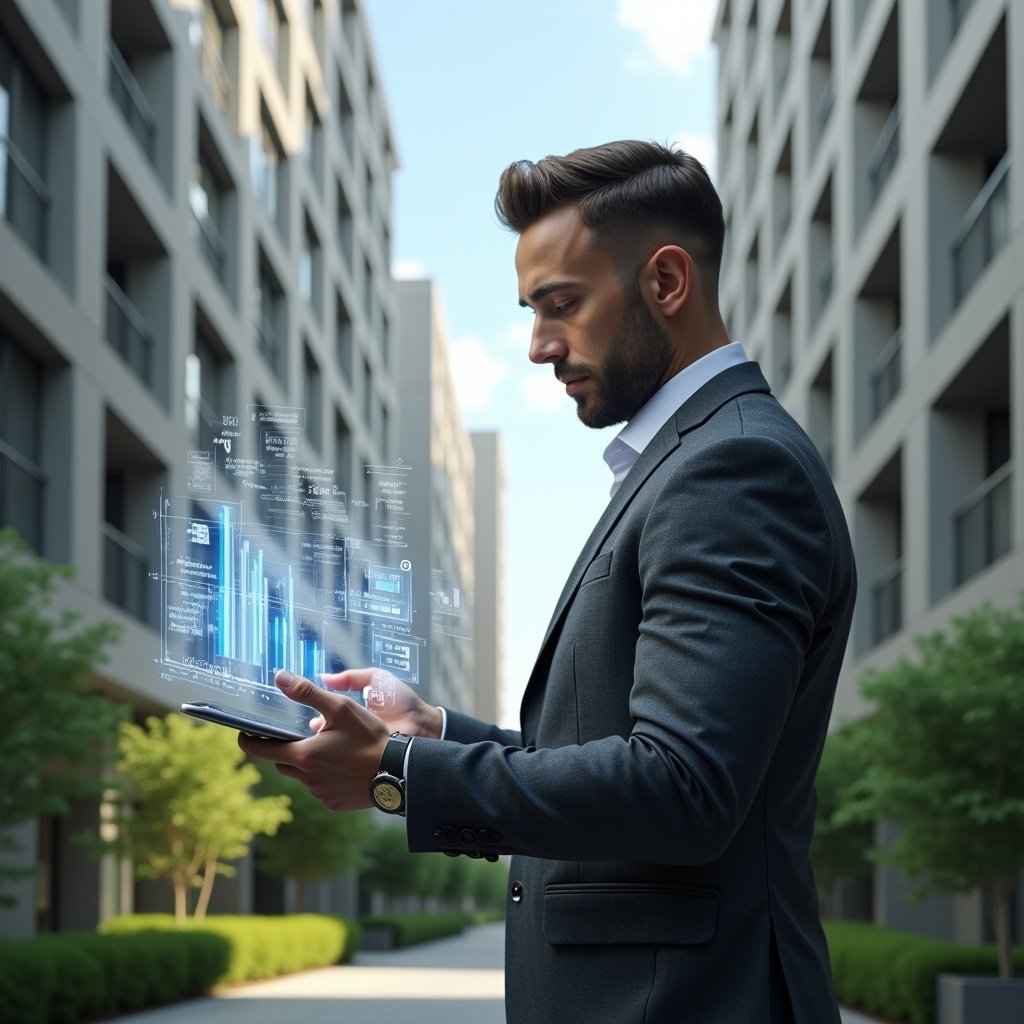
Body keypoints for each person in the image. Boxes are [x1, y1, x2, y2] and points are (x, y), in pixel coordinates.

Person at [239, 139, 856, 1024]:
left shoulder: (733, 470)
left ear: (667, 282)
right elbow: (615, 750)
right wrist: (433, 733)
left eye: (561, 304)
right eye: (532, 312)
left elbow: (684, 787)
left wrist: (397, 772)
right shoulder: (690, 463)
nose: (538, 347)